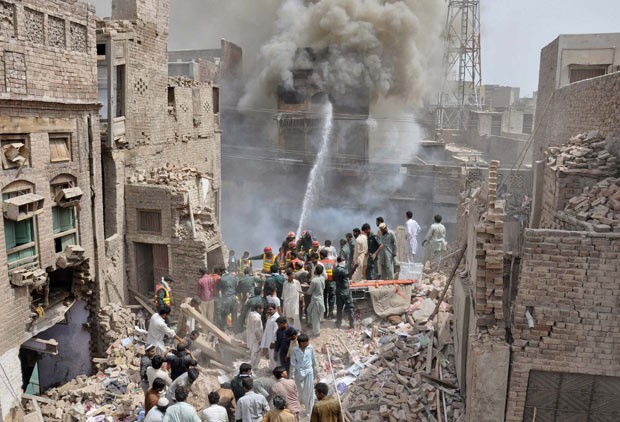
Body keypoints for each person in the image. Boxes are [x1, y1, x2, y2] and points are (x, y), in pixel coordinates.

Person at [290, 334, 318, 414]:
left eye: (308, 341)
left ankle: (310, 410)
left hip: (309, 372)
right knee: (300, 391)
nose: (308, 343)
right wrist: (293, 374)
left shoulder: (310, 348)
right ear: (301, 343)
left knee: (309, 391)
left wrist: (316, 372)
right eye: (306, 342)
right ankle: (302, 403)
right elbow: (293, 362)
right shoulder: (295, 350)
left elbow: (314, 360)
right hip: (298, 373)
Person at [333, 256, 354, 329]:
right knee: (350, 307)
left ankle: (338, 323)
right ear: (340, 261)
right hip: (345, 291)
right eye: (343, 260)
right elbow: (349, 275)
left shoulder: (335, 269)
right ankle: (352, 324)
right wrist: (355, 267)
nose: (344, 261)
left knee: (339, 308)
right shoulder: (341, 270)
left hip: (338, 290)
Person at [306, 266, 325, 336]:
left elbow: (309, 292)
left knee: (315, 317)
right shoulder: (322, 278)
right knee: (311, 312)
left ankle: (316, 332)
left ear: (316, 271)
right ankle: (313, 326)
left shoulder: (314, 280)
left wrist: (304, 291)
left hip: (315, 300)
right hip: (320, 298)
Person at [217, 265, 238, 330]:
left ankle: (224, 328)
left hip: (226, 299)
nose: (218, 274)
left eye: (219, 272)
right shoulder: (233, 277)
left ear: (221, 271)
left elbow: (218, 289)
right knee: (234, 314)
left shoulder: (221, 279)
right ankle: (234, 329)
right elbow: (235, 286)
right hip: (234, 298)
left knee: (224, 314)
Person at [260, 304, 280, 369]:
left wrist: (273, 342)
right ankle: (272, 369)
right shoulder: (270, 317)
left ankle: (275, 370)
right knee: (271, 356)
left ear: (275, 309)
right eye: (268, 309)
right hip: (269, 340)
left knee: (274, 356)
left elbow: (275, 331)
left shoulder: (276, 318)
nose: (269, 311)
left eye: (271, 309)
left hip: (273, 341)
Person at [319, 250, 336, 319]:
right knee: (331, 297)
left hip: (323, 282)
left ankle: (325, 313)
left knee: (324, 297)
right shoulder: (333, 261)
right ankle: (330, 314)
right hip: (331, 281)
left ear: (322, 255)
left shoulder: (320, 263)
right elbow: (335, 271)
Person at [246, 304, 264, 368]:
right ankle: (253, 367)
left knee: (252, 352)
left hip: (251, 336)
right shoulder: (257, 318)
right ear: (258, 309)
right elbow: (257, 331)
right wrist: (259, 340)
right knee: (256, 352)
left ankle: (252, 366)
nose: (263, 310)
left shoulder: (251, 314)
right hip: (256, 338)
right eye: (262, 308)